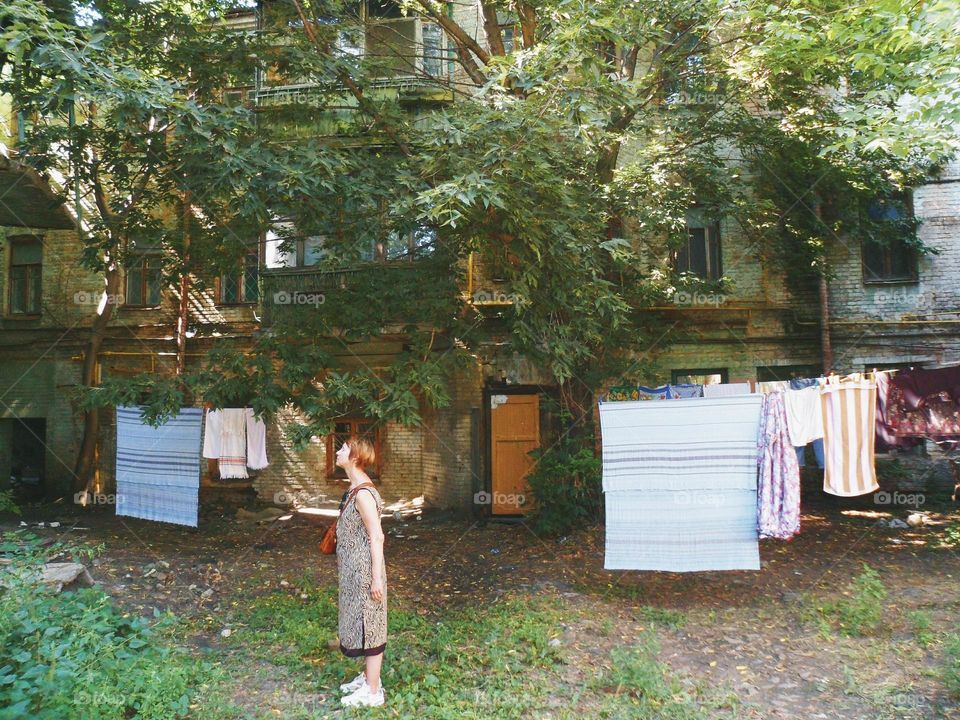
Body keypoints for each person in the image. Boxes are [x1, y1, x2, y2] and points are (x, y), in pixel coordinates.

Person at [334, 435, 387, 708]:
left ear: (354, 457)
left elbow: (377, 537)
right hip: (355, 573)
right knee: (363, 625)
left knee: (371, 627)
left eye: (343, 449)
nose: (338, 451)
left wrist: (376, 578)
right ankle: (368, 678)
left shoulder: (364, 494)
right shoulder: (355, 489)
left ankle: (374, 692)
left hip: (367, 574)